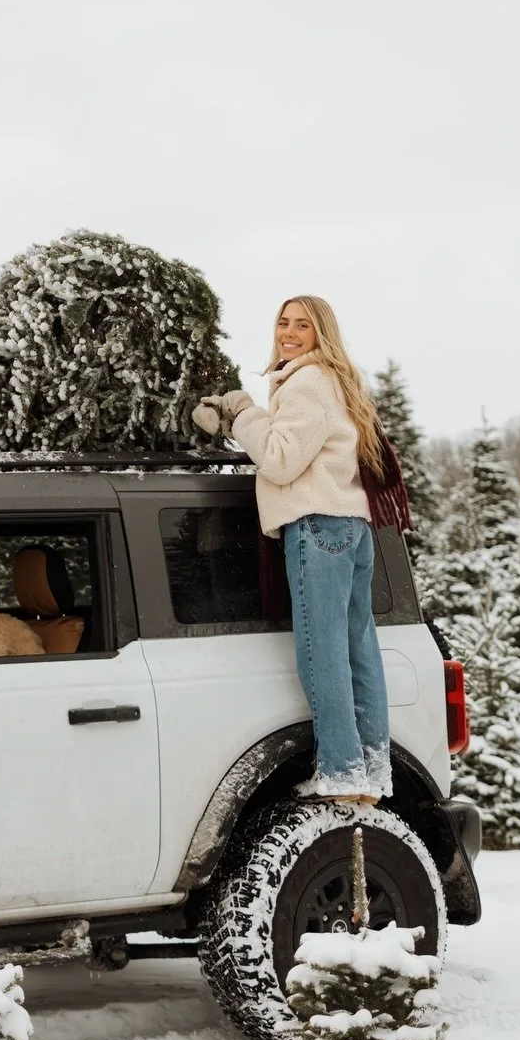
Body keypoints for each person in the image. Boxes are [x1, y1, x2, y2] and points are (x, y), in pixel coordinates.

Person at [194, 296, 397, 806]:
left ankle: (342, 771)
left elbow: (281, 460)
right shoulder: (338, 382)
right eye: (283, 322)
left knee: (320, 652)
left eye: (302, 325)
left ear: (321, 333)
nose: (288, 332)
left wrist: (242, 413)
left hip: (317, 527)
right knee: (357, 653)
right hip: (352, 528)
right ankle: (372, 769)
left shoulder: (307, 382)